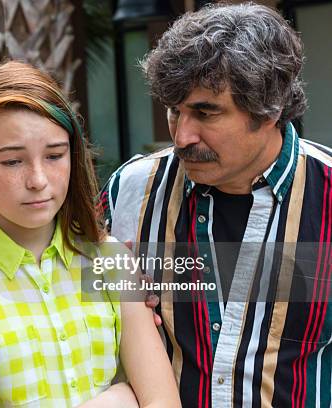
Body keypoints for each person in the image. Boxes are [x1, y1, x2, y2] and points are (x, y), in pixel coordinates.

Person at [0, 61, 181, 408]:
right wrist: (118, 400)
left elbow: (163, 401)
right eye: (12, 162)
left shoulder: (109, 261)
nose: (38, 180)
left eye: (54, 155)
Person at [100, 3, 331, 407]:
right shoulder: (129, 193)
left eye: (206, 113)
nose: (182, 136)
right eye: (174, 111)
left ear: (270, 107)